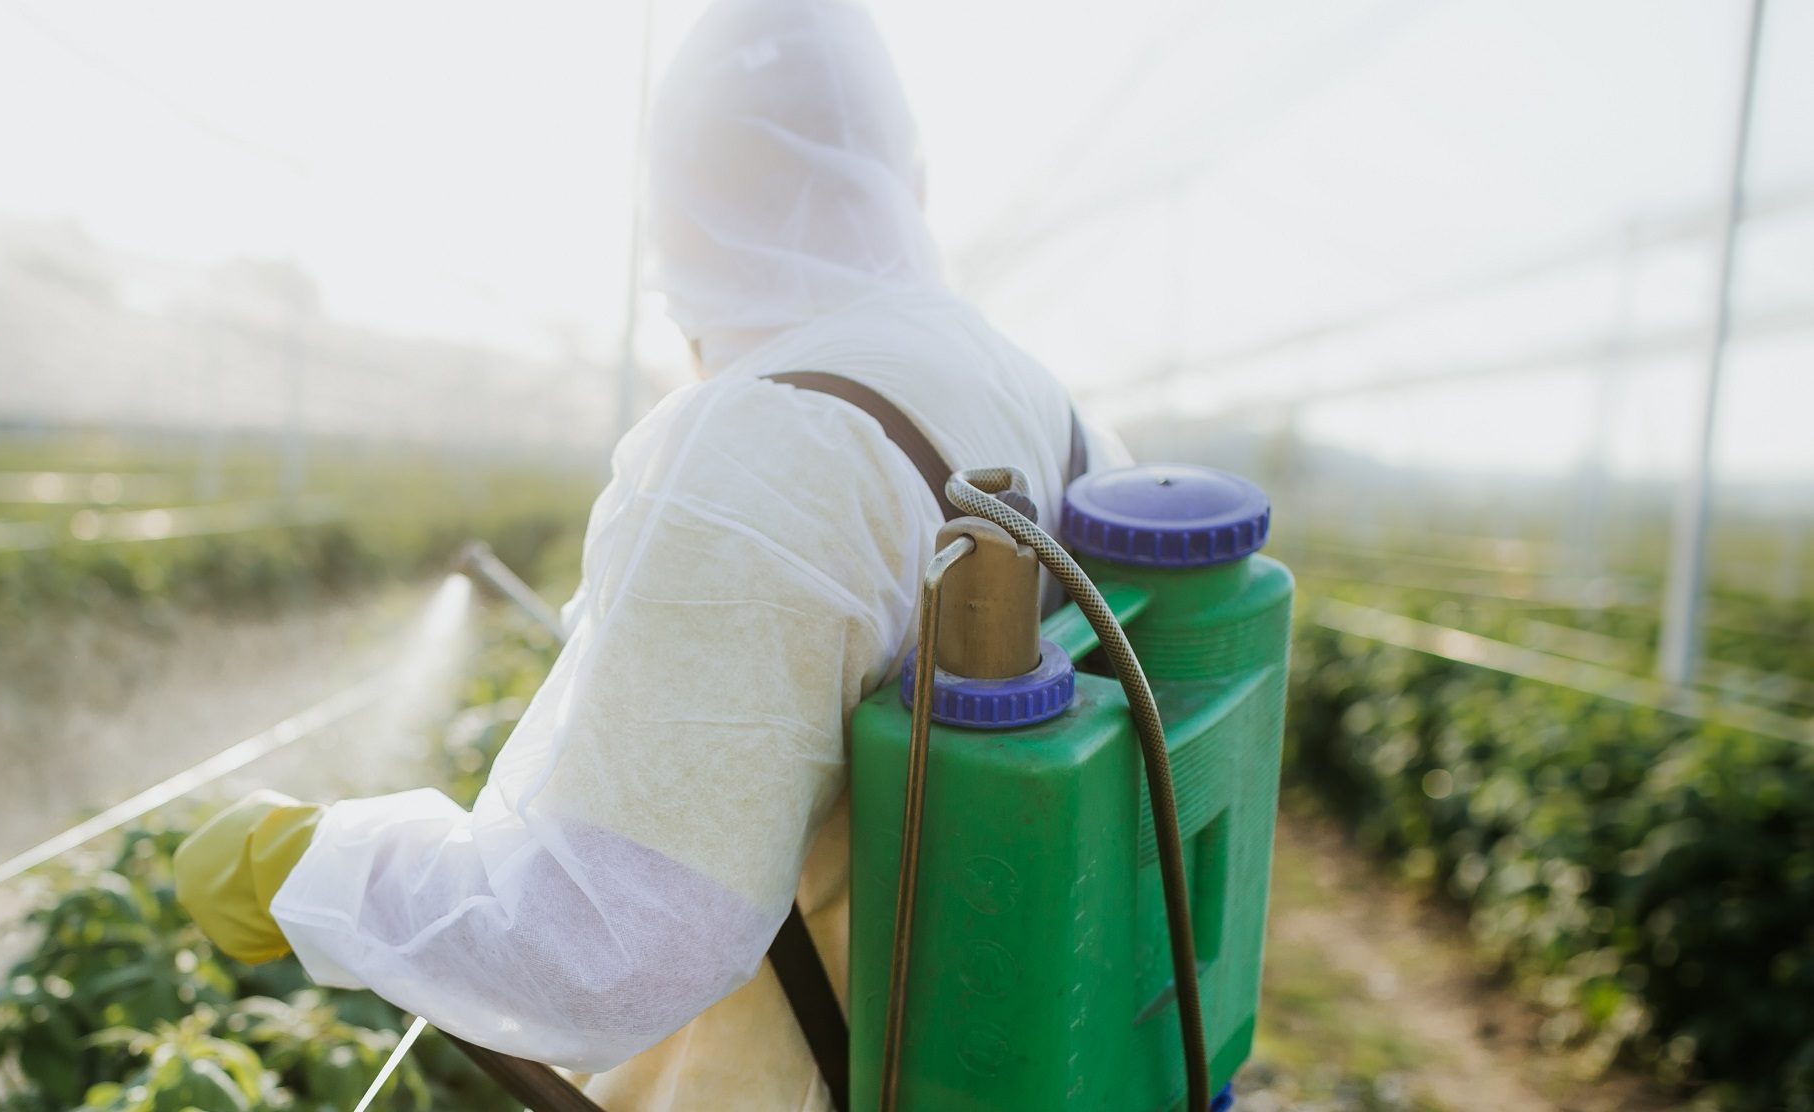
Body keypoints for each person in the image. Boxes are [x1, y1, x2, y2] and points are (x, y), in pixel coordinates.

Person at [176, 0, 1124, 1106]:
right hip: (1016, 1055)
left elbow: (605, 944)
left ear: (680, 212)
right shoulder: (1038, 400)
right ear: (903, 174)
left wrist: (316, 866)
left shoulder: (771, 447)